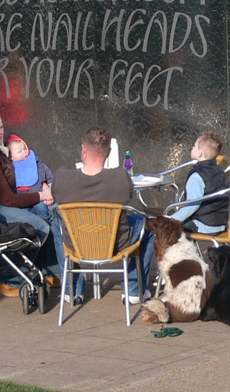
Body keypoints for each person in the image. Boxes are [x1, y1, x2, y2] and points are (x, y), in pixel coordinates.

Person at [50, 126, 154, 305]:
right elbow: (129, 196)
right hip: (114, 244)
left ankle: (72, 289)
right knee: (148, 224)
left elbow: (56, 196)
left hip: (77, 244)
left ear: (83, 149)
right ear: (110, 152)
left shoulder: (62, 177)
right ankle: (134, 290)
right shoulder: (120, 177)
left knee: (57, 222)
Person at [0, 107, 62, 294]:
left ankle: (50, 270)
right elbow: (7, 198)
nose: (1, 131)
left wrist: (43, 185)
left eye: (1, 127)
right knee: (38, 226)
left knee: (53, 213)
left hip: (3, 203)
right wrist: (41, 195)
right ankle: (7, 278)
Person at [168, 131, 230, 235]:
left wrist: (170, 220)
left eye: (194, 147)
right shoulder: (220, 171)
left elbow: (193, 206)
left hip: (203, 225)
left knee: (166, 226)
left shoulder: (196, 176)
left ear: (200, 153)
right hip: (220, 223)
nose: (192, 148)